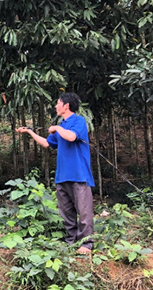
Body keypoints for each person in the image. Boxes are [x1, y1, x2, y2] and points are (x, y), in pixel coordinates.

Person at [16, 92, 95, 254]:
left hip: (79, 175)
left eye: (58, 103)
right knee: (66, 212)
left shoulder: (78, 121)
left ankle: (86, 244)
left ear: (66, 106)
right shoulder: (61, 125)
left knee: (84, 210)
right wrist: (29, 132)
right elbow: (46, 143)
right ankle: (71, 241)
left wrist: (57, 128)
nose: (55, 106)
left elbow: (72, 137)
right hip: (62, 176)